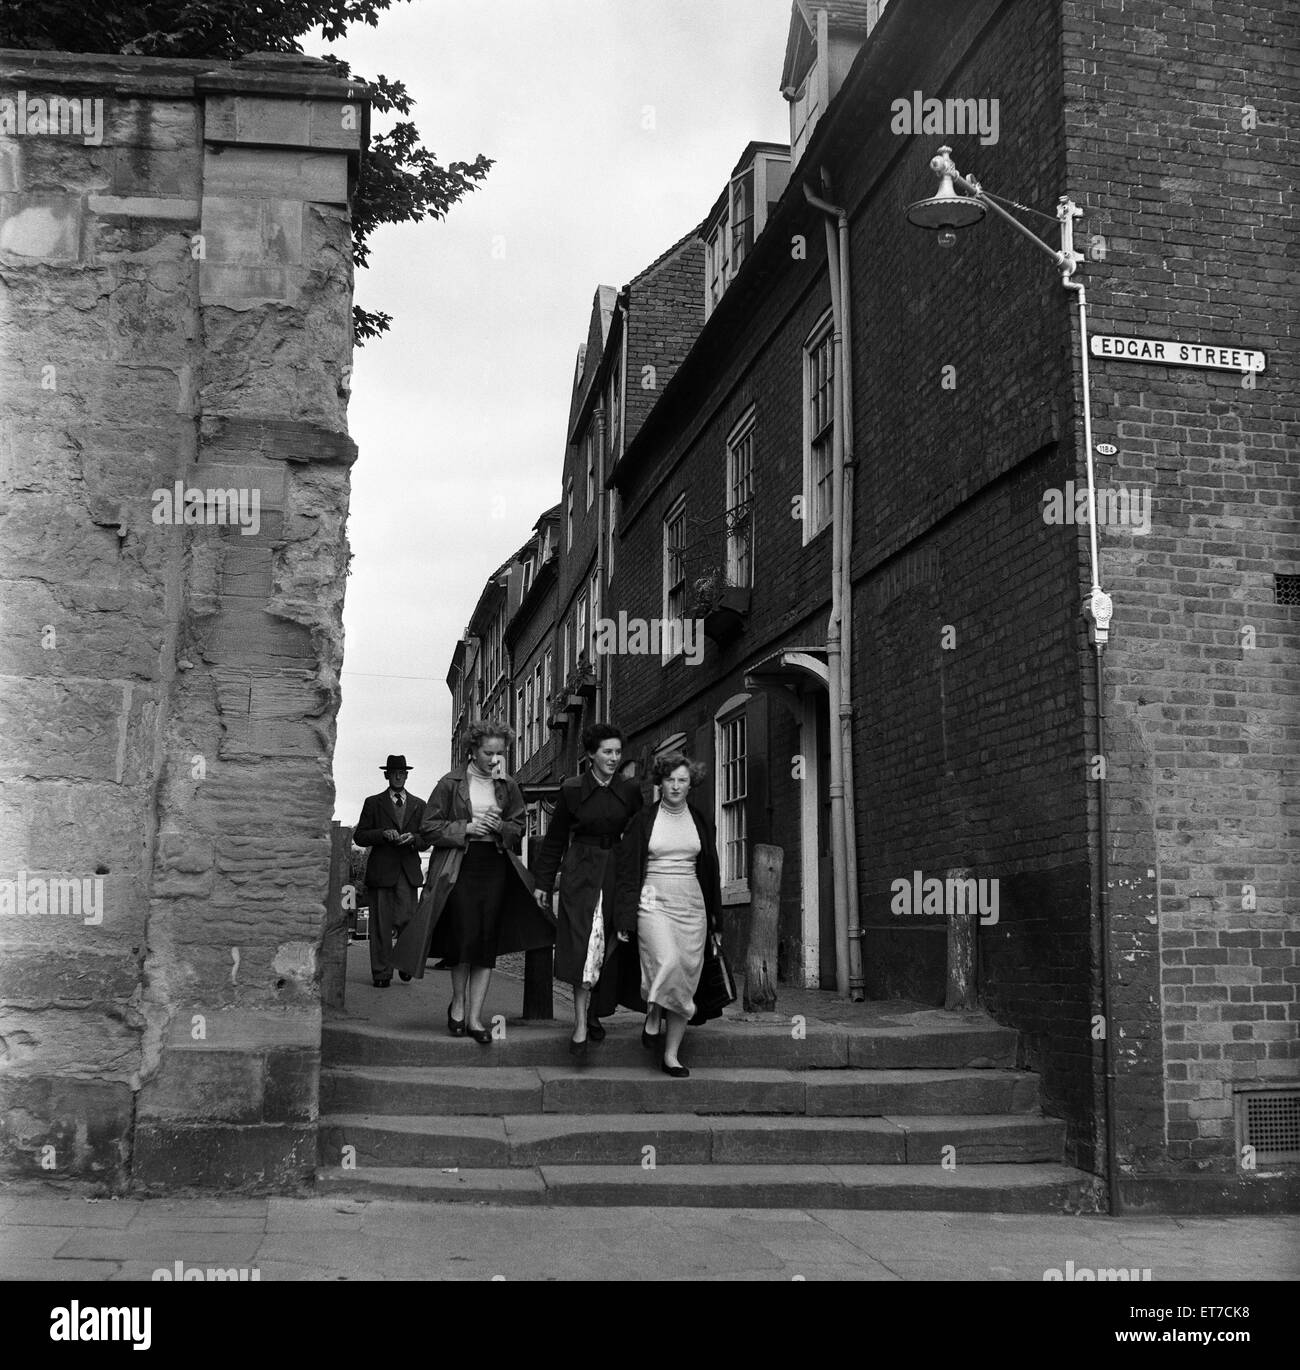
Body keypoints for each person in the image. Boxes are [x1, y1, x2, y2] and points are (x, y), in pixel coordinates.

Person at [393, 722, 554, 1043]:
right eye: (488, 753)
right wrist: (466, 828)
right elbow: (429, 828)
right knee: (464, 940)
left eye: (500, 753)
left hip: (494, 867)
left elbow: (519, 826)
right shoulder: (450, 783)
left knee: (485, 943)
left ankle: (476, 1019)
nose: (495, 759)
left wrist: (500, 828)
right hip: (459, 868)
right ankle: (459, 1004)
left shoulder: (507, 785)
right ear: (472, 750)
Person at [532, 724, 643, 1059]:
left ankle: (595, 1011)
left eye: (617, 752)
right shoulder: (571, 790)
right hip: (580, 872)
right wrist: (542, 882)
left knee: (609, 945)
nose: (613, 758)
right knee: (581, 945)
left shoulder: (630, 790)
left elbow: (639, 836)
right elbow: (554, 841)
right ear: (591, 755)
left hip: (616, 872)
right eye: (607, 752)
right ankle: (580, 1022)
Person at [614, 751, 722, 1078]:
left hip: (692, 903)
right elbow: (627, 871)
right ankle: (652, 1011)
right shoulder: (643, 820)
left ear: (691, 785)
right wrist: (623, 917)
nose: (675, 786)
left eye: (682, 781)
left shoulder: (701, 820)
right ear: (660, 782)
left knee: (687, 974)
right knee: (668, 960)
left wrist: (716, 920)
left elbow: (711, 871)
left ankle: (671, 1055)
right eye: (670, 780)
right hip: (652, 899)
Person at [354, 755, 430, 988]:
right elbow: (360, 836)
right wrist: (382, 834)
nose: (398, 775)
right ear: (386, 775)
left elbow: (427, 839)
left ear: (407, 775)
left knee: (408, 921)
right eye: (394, 772)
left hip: (407, 872)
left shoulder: (419, 804)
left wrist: (414, 839)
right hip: (382, 871)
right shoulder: (373, 803)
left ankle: (405, 963)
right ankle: (381, 973)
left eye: (402, 772)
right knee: (380, 925)